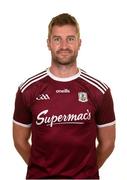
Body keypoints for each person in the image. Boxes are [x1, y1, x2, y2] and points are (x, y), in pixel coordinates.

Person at [13, 13, 116, 179]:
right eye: (57, 39)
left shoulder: (99, 90)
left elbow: (108, 143)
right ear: (48, 43)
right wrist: (42, 169)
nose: (63, 45)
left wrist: (85, 172)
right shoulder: (28, 89)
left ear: (79, 43)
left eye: (70, 39)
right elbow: (19, 140)